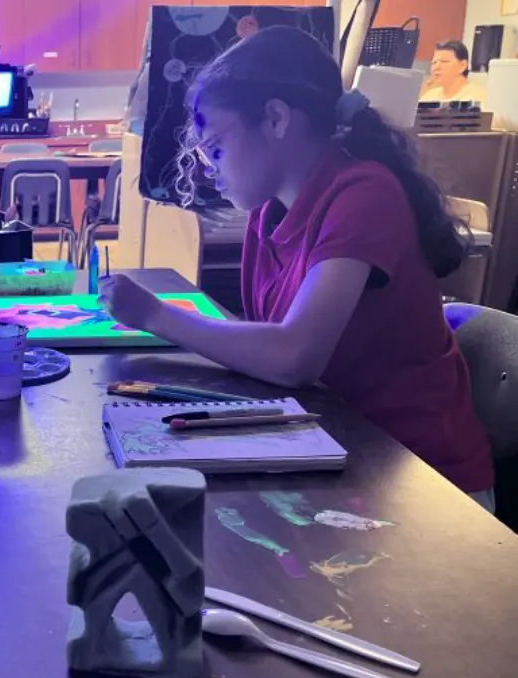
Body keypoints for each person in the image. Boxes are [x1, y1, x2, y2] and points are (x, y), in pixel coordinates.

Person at [100, 26, 495, 509]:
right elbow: (269, 349)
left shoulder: (364, 195)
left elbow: (295, 357)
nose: (209, 168)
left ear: (275, 118)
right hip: (340, 449)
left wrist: (155, 315)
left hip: (424, 486)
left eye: (217, 147)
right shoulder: (269, 214)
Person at [420, 40, 486, 104]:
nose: (436, 67)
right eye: (434, 62)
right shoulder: (430, 96)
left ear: (462, 66)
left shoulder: (475, 98)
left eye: (444, 61)